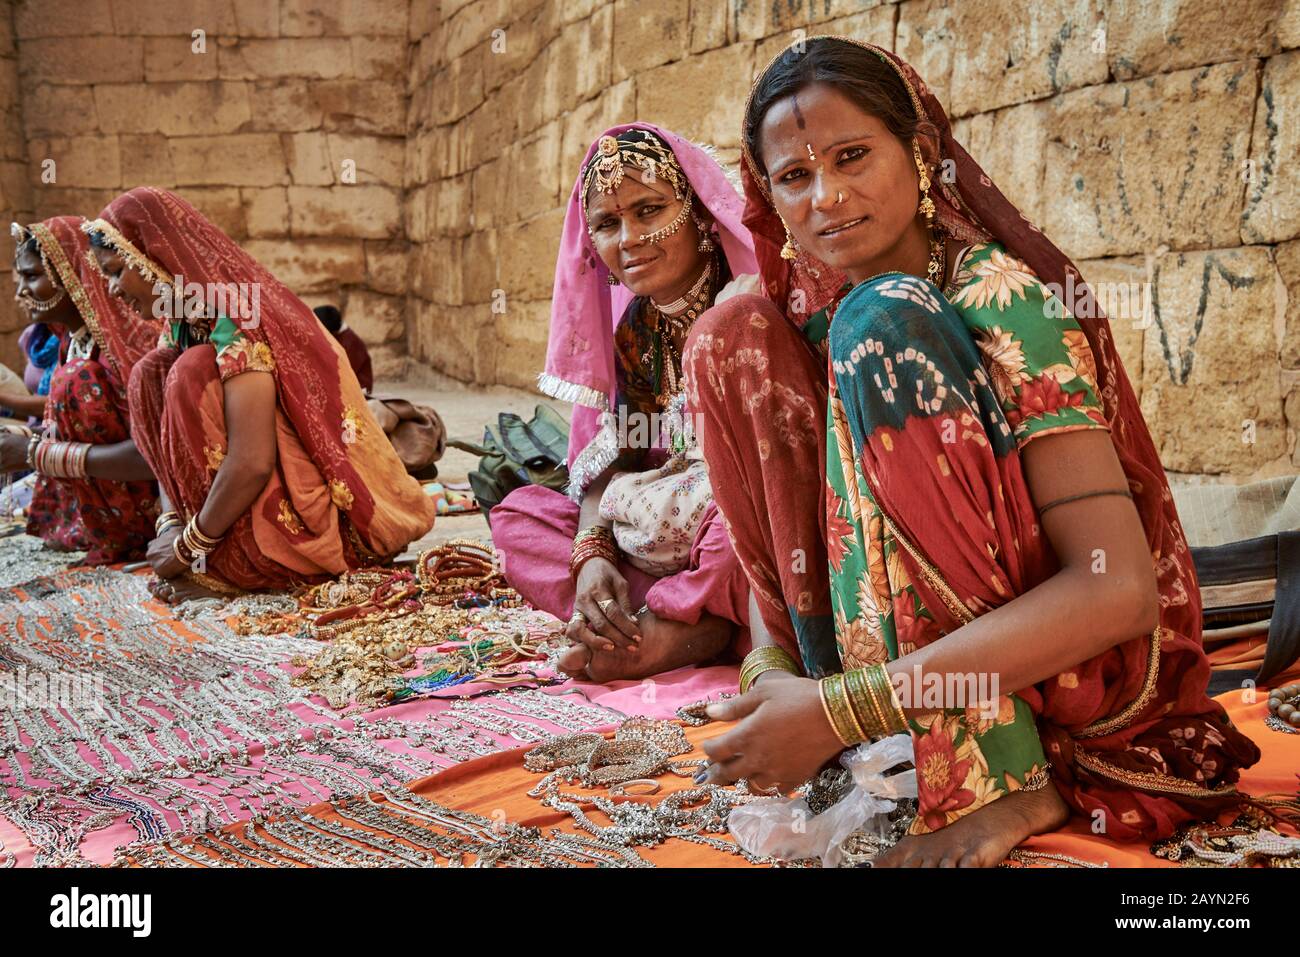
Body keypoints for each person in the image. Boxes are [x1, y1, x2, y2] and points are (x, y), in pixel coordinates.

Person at [687, 37, 1260, 866]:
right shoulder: (799, 318)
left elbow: (1119, 591)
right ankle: (845, 725)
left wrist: (841, 711)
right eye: (795, 177)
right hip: (874, 679)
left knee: (882, 322)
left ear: (920, 158)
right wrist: (774, 679)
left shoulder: (999, 301)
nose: (828, 196)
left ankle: (1007, 772)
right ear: (767, 197)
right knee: (726, 337)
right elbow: (773, 538)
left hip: (1055, 680)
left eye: (854, 157)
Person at [492, 125, 758, 682]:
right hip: (661, 531)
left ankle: (687, 627)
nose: (629, 238)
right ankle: (651, 618)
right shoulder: (635, 329)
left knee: (741, 522)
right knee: (521, 517)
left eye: (650, 210)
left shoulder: (750, 301)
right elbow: (619, 456)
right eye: (608, 224)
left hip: (734, 524)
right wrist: (592, 558)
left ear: (703, 215)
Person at [84, 186, 436, 601]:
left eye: (115, 270)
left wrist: (188, 549)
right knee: (151, 375)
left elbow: (251, 462)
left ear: (150, 259)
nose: (111, 288)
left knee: (190, 372)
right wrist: (174, 527)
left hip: (323, 519)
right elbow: (165, 445)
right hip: (236, 509)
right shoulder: (182, 320)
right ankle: (224, 551)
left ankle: (254, 558)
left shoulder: (234, 315)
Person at [1, 218, 158, 562]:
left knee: (76, 378)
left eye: (31, 277)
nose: (20, 293)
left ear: (70, 273)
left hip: (156, 516)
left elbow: (154, 456)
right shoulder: (73, 345)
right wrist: (18, 437)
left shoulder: (128, 348)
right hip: (102, 512)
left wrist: (33, 453)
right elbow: (75, 432)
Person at [313, 305, 374, 393]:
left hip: (356, 392)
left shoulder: (351, 343)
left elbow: (340, 374)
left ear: (331, 331)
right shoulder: (338, 336)